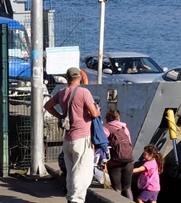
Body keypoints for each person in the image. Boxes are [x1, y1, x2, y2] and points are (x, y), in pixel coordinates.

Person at [44, 67, 100, 203]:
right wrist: (98, 110)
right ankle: (76, 200)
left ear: (67, 78)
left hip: (68, 139)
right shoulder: (84, 92)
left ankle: (70, 197)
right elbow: (94, 113)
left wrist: (61, 116)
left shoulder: (61, 92)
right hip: (82, 139)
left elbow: (47, 105)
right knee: (82, 173)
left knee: (71, 172)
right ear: (79, 78)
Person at [103, 108, 134, 200]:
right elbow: (130, 143)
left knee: (117, 189)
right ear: (118, 117)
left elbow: (102, 144)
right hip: (128, 161)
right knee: (128, 188)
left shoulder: (106, 128)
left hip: (114, 162)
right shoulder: (124, 128)